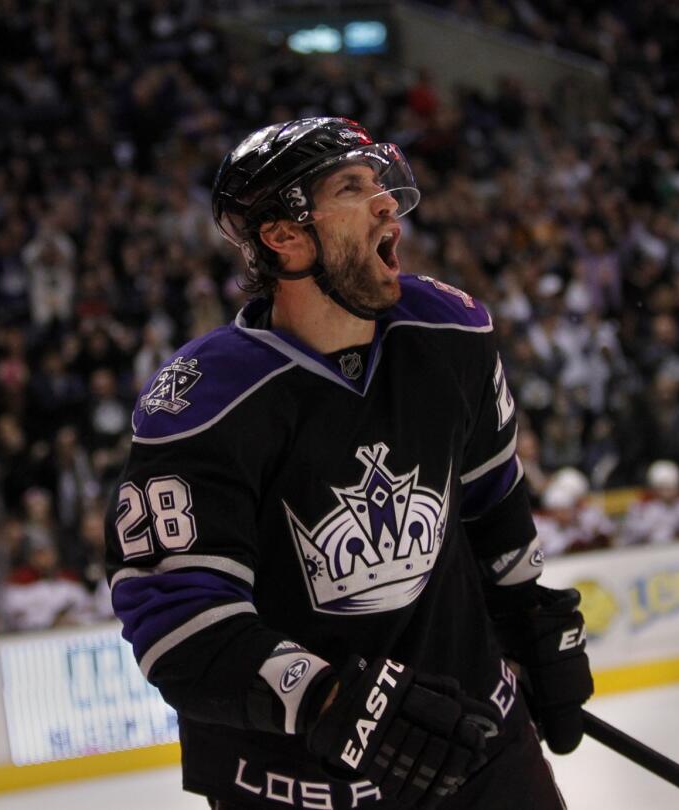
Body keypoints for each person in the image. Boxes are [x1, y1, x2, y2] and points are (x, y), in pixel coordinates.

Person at [104, 119, 593, 810]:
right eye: (352, 188)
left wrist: (529, 613)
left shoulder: (450, 335)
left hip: (479, 745)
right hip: (298, 784)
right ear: (284, 237)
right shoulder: (205, 402)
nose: (386, 203)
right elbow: (177, 622)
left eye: (380, 184)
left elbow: (492, 501)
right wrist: (333, 698)